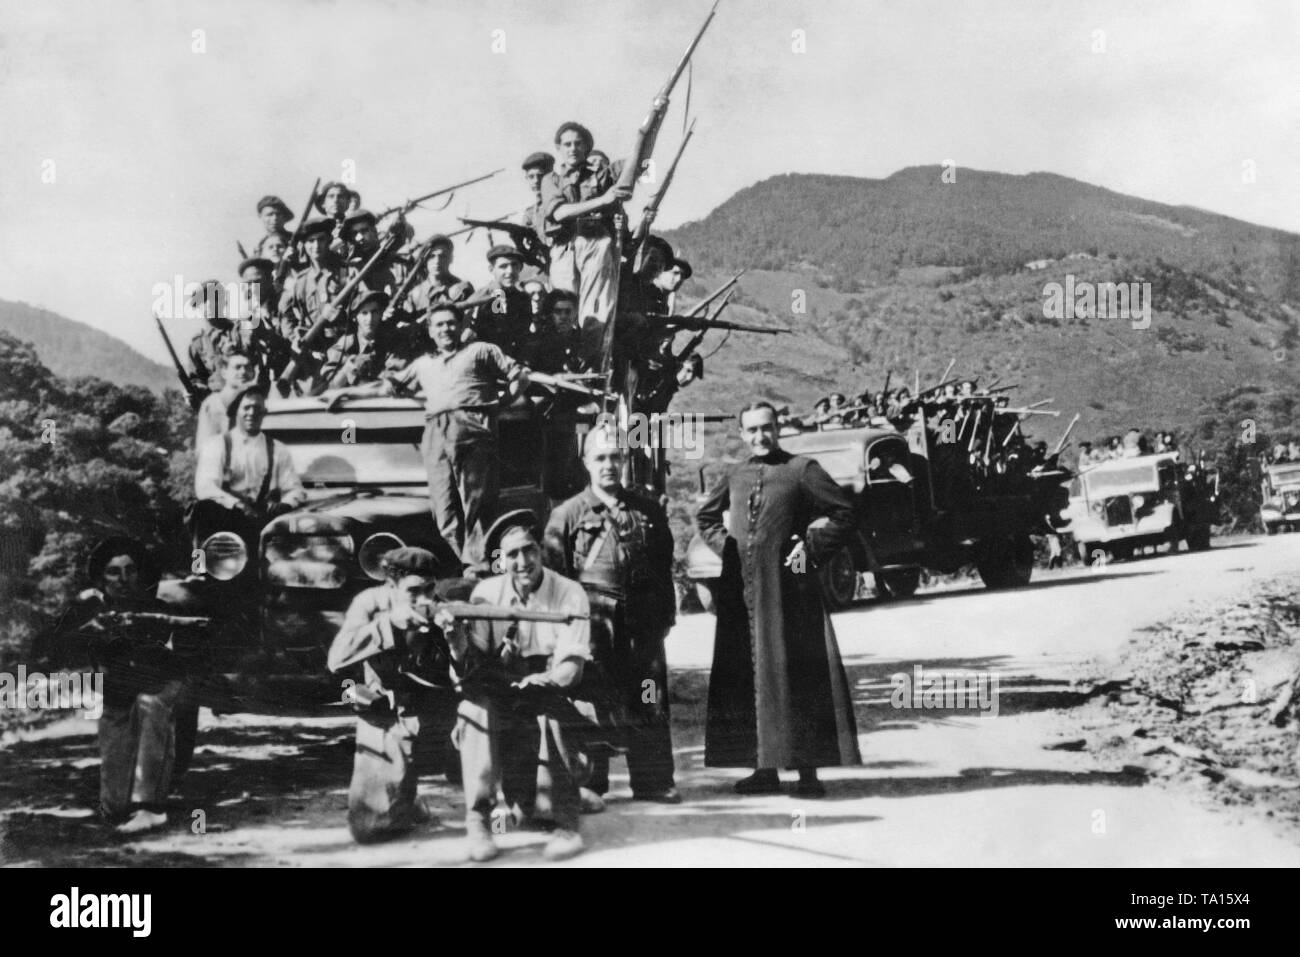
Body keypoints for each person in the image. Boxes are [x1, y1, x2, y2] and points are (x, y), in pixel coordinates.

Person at [695, 401, 861, 796]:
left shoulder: (802, 471)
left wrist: (810, 548)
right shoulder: (735, 475)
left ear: (778, 428)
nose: (760, 437)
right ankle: (763, 770)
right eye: (751, 430)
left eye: (766, 428)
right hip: (743, 595)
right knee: (750, 677)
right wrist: (729, 549)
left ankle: (807, 774)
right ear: (742, 434)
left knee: (798, 676)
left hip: (791, 592)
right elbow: (705, 518)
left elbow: (844, 514)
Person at [449, 511, 595, 862]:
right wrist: (456, 642)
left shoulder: (569, 593)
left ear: (541, 550)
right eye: (511, 554)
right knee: (472, 710)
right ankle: (479, 821)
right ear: (501, 559)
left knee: (538, 809)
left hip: (548, 688)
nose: (522, 562)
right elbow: (472, 669)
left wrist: (541, 682)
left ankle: (567, 820)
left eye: (528, 550)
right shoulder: (485, 593)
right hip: (501, 689)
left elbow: (570, 670)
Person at [545, 425, 679, 803]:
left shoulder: (648, 510)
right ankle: (590, 782)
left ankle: (654, 781)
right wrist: (566, 634)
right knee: (592, 703)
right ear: (586, 462)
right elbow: (555, 580)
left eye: (615, 457)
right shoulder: (566, 515)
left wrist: (664, 619)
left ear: (625, 459)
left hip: (642, 627)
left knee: (649, 699)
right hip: (594, 627)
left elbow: (662, 567)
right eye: (600, 457)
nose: (609, 464)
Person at [39, 538, 198, 834]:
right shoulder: (88, 610)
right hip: (117, 694)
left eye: (130, 570)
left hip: (163, 686)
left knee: (151, 708)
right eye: (113, 572)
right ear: (102, 577)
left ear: (140, 574)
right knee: (114, 807)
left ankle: (151, 808)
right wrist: (90, 633)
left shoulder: (157, 608)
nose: (123, 580)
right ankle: (128, 805)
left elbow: (163, 663)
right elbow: (52, 647)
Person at [379, 304, 531, 568]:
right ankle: (459, 564)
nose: (445, 329)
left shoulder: (481, 350)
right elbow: (391, 387)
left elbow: (521, 378)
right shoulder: (423, 364)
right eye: (438, 324)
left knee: (477, 502)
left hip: (473, 427)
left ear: (461, 326)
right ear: (430, 331)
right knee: (444, 505)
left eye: (451, 323)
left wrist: (500, 404)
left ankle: (479, 566)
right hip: (435, 432)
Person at [327, 546, 459, 843]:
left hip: (434, 706)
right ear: (390, 586)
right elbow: (336, 659)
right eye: (413, 591)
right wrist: (388, 625)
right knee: (370, 827)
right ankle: (407, 801)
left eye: (429, 589)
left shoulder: (441, 605)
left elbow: (465, 672)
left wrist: (455, 639)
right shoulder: (370, 603)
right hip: (387, 711)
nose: (424, 599)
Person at [539, 121, 632, 352]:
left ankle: (591, 364)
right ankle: (560, 358)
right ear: (559, 148)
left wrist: (646, 140)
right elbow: (559, 213)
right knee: (562, 306)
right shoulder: (551, 180)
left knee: (595, 310)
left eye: (578, 144)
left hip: (595, 243)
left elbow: (642, 167)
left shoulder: (603, 176)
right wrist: (603, 200)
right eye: (567, 144)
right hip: (563, 247)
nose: (572, 148)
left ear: (587, 148)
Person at [191, 386, 306, 551]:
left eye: (257, 408)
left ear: (264, 413)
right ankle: (200, 569)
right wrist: (238, 505)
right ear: (236, 411)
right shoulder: (216, 445)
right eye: (246, 407)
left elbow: (295, 490)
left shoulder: (278, 449)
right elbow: (205, 488)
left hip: (261, 520)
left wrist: (285, 505)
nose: (252, 413)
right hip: (226, 518)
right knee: (201, 510)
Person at [317, 290, 417, 391]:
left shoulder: (392, 342)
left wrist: (359, 379)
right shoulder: (344, 346)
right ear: (355, 317)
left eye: (374, 312)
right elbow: (328, 386)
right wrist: (347, 370)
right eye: (364, 313)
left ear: (381, 314)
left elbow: (394, 381)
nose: (370, 319)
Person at [466, 245, 533, 357]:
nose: (510, 271)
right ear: (492, 270)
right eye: (503, 266)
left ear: (520, 268)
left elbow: (523, 333)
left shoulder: (523, 298)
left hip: (514, 358)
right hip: (487, 357)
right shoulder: (481, 297)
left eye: (514, 265)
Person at [195, 352, 255, 448]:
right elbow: (204, 447)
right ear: (224, 373)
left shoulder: (256, 401)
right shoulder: (212, 405)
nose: (243, 371)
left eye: (247, 367)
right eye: (237, 367)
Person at [407, 235, 474, 316]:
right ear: (425, 260)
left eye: (442, 256)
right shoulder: (415, 294)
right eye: (432, 256)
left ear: (451, 259)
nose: (437, 261)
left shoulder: (462, 289)